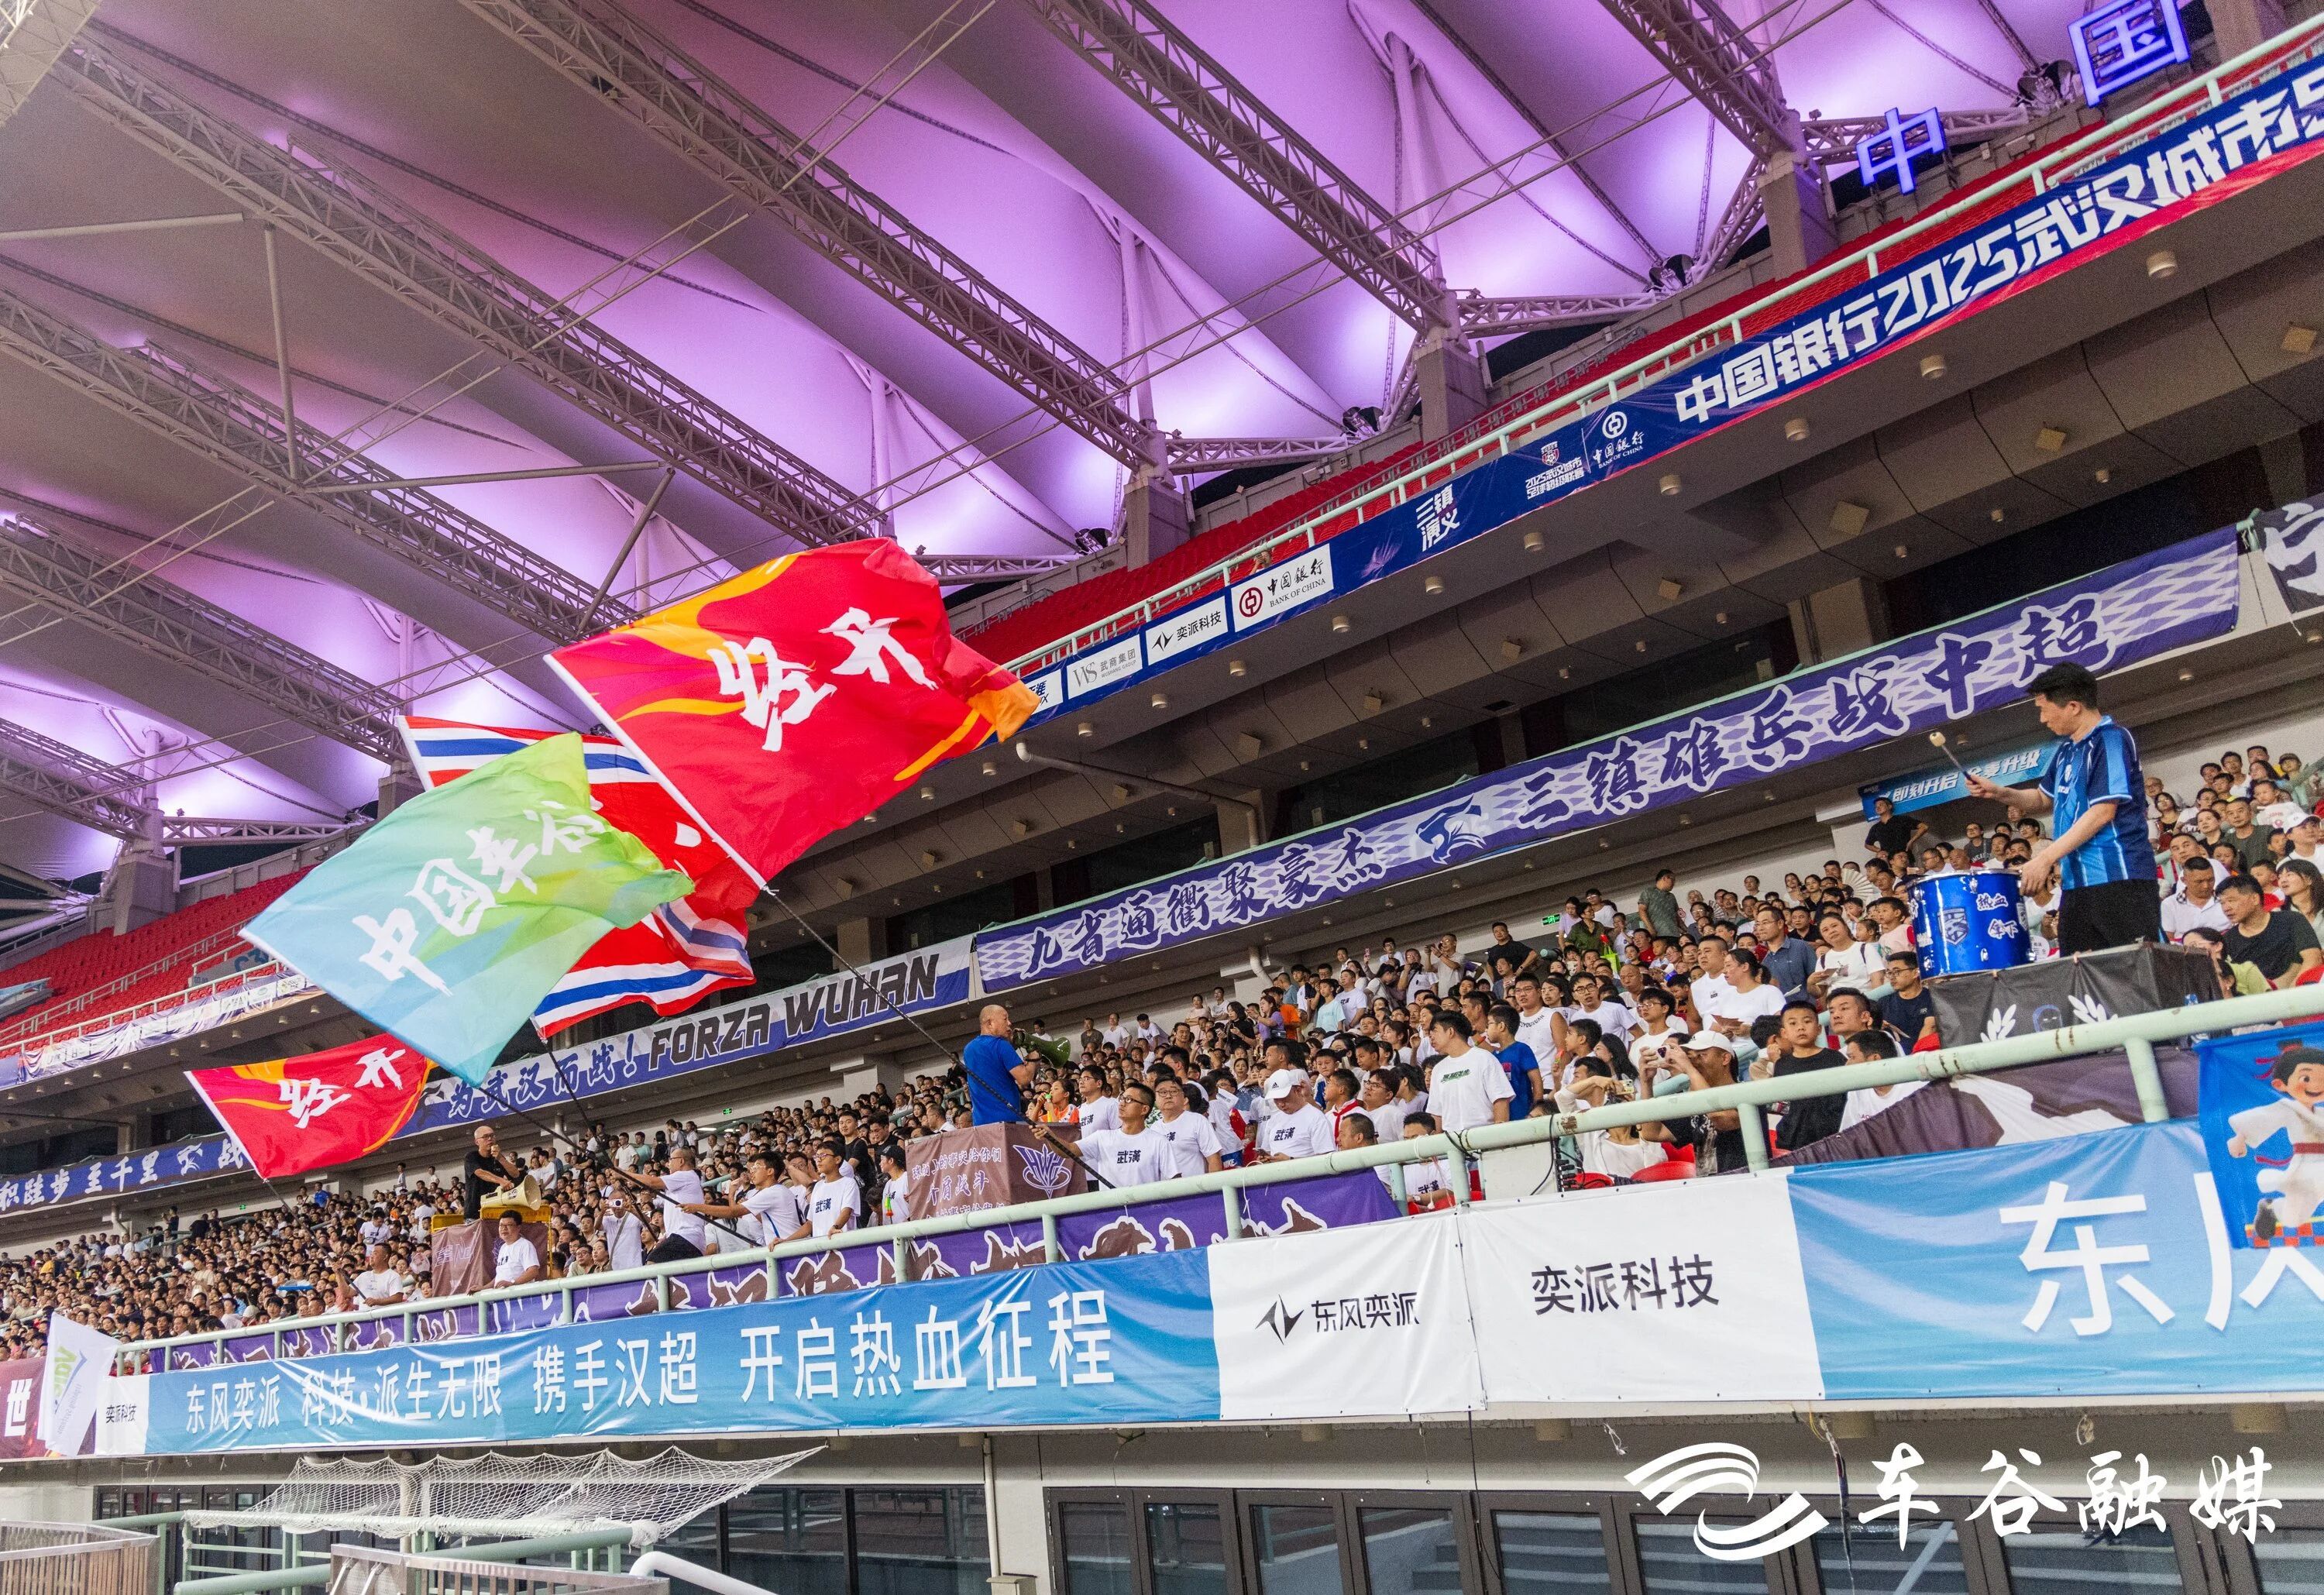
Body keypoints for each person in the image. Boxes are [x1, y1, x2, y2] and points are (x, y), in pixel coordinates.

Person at [1967, 662, 2158, 953]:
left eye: (2044, 710)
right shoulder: (2067, 750)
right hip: (2076, 883)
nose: (2042, 719)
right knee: (2080, 971)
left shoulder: (2110, 739)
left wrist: (2045, 858)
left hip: (2120, 877)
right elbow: (2042, 799)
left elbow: (2103, 811)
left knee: (2135, 968)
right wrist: (1999, 792)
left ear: (2073, 707)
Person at [2219, 872, 2324, 988]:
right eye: (2222, 903)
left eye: (2231, 901)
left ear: (2254, 899)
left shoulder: (2291, 920)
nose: (2226, 908)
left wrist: (2291, 993)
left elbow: (2313, 959)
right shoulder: (2227, 940)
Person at [1423, 1012, 1513, 1133]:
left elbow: (1500, 1100)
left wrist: (1498, 1135)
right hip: (1451, 1139)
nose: (1431, 1037)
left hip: (1484, 1134)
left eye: (1435, 1031)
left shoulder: (1484, 1058)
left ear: (1451, 1032)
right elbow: (1437, 1113)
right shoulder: (1438, 1069)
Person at [1078, 1082, 1172, 1187]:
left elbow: (1174, 1180)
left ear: (1144, 1109)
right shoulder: (1101, 1137)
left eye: (1129, 1100)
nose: (1122, 1104)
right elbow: (1069, 1149)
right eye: (1122, 1098)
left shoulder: (1158, 1141)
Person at [631, 1146, 708, 1263]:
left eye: (671, 1159)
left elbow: (651, 1182)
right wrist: (667, 1237)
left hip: (686, 1236)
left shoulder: (686, 1175)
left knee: (652, 1261)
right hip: (687, 1238)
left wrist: (622, 1173)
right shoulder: (686, 1179)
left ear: (681, 1161)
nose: (668, 1164)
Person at [962, 1003, 1033, 1127]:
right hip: (1006, 1122)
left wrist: (1011, 1045)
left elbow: (993, 1063)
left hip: (981, 1123)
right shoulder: (1001, 1045)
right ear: (990, 1023)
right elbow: (1024, 1079)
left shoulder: (968, 1049)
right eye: (1005, 1019)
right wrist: (1034, 1055)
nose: (1009, 1023)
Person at [1151, 1078, 1224, 1177]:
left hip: (1195, 1186)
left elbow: (1214, 1159)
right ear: (1155, 1099)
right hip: (1165, 1187)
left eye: (1173, 1091)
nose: (1168, 1096)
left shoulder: (1197, 1120)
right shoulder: (1154, 1128)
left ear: (1183, 1097)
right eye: (1163, 1092)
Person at [1255, 1070, 1332, 1161]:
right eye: (1276, 1099)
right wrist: (1264, 1159)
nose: (1281, 1104)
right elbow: (1267, 1151)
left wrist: (1291, 1160)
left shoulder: (1316, 1117)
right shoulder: (1273, 1120)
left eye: (1284, 1098)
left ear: (1298, 1091)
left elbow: (1326, 1159)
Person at [1876, 950, 1937, 1047]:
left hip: (1924, 1052)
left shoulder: (1932, 998)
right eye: (1889, 972)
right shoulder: (1883, 1003)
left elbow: (1931, 1027)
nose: (1892, 977)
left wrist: (1916, 1054)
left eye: (1897, 972)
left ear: (1916, 973)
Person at [2161, 855, 2230, 940]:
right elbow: (2168, 939)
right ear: (2184, 881)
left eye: (2210, 880)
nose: (2206, 886)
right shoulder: (2170, 904)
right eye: (2199, 882)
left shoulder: (2226, 899)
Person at [461, 1126, 519, 1222]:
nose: (490, 1139)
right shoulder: (471, 1157)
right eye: (485, 1137)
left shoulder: (498, 1157)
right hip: (475, 1213)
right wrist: (501, 1181)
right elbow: (480, 1172)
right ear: (477, 1142)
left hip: (495, 1211)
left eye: (492, 1136)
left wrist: (500, 1158)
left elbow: (515, 1174)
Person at [490, 1214, 541, 1287]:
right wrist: (483, 1288)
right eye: (501, 1225)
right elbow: (500, 1277)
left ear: (518, 1227)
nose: (504, 1228)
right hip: (501, 1293)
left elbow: (533, 1271)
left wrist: (513, 1283)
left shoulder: (525, 1245)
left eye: (509, 1225)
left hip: (518, 1293)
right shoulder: (503, 1248)